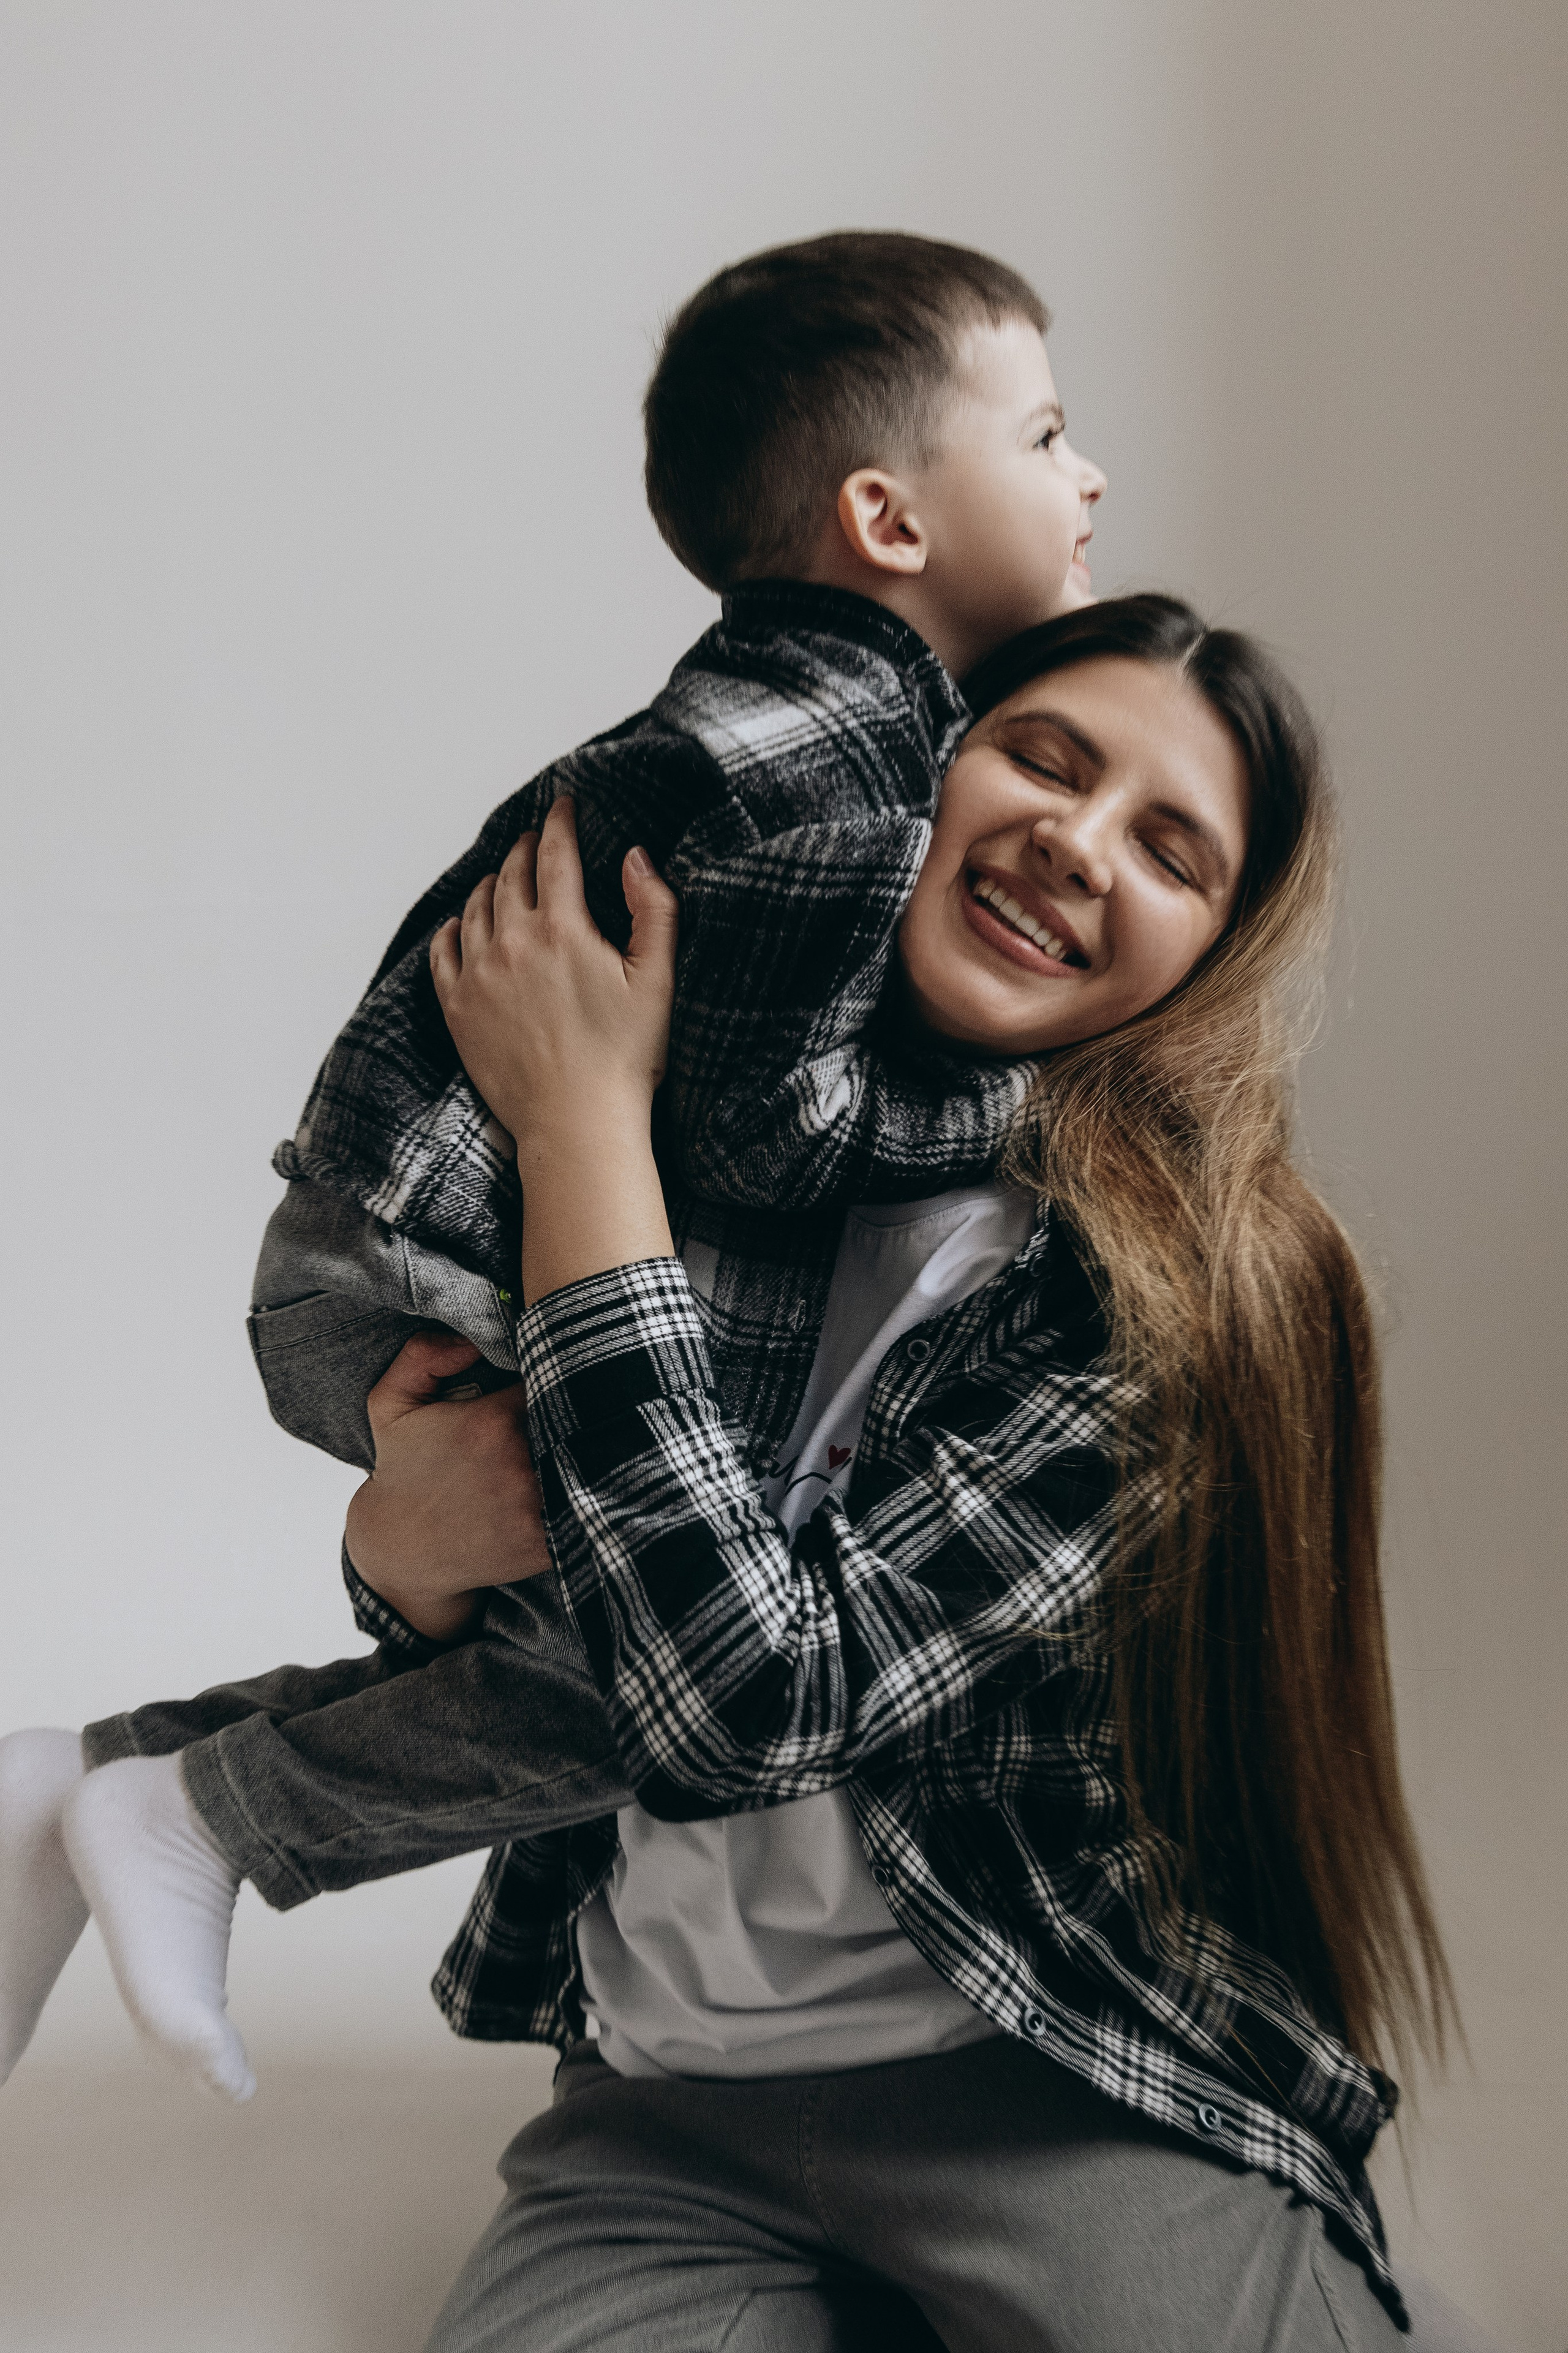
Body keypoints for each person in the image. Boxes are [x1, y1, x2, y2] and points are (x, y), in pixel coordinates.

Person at [0, 227, 1108, 2099]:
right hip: (434, 1252)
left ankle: (97, 1784)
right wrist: (1024, 1109)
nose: (1088, 479)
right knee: (666, 1659)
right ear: (889, 520)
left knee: (614, 1624)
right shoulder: (855, 770)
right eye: (1052, 429)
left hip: (369, 1235)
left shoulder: (749, 707)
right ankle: (204, 1812)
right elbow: (780, 1124)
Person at [410, 599, 1477, 2349]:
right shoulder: (693, 1138)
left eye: (1170, 847)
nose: (1076, 838)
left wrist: (576, 1126)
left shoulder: (1178, 1283)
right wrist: (404, 1550)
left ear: (1215, 949)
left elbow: (749, 1701)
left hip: (1042, 2067)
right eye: (1045, 760)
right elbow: (518, 1606)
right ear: (924, 774)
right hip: (668, 2103)